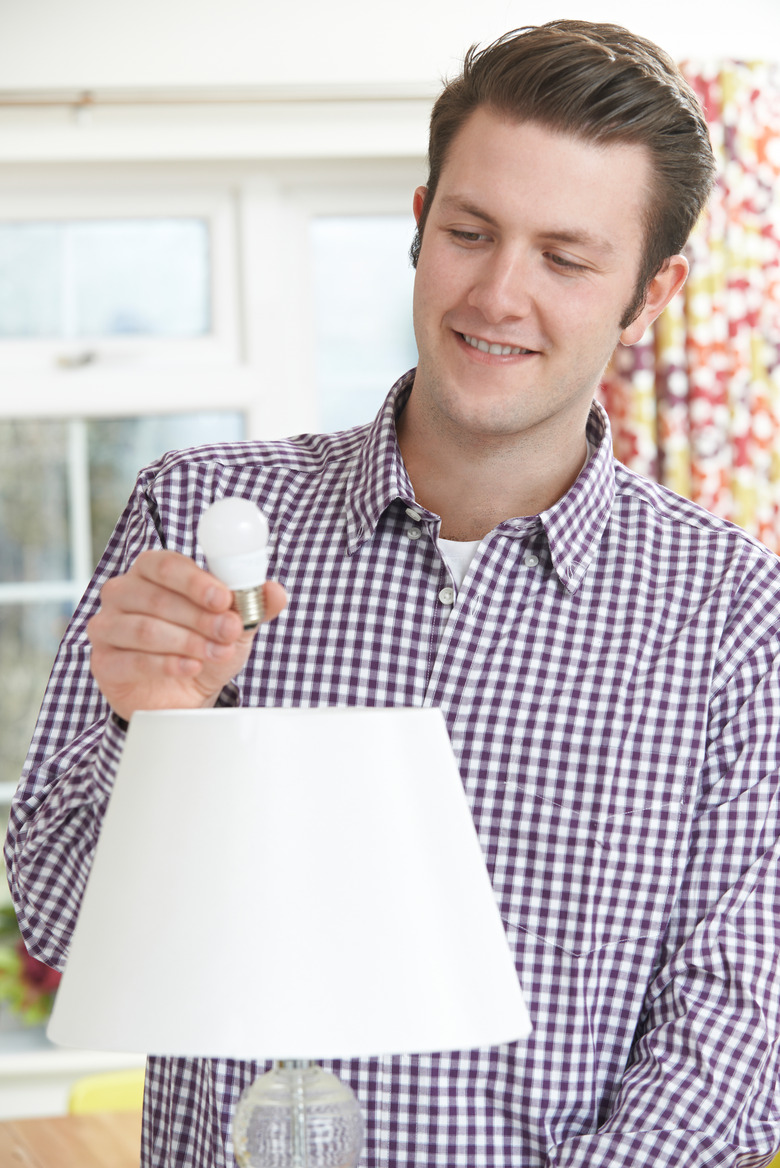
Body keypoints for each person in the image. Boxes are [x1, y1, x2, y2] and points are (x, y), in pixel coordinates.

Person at [6, 18, 780, 1168]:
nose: (499, 295)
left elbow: (731, 1047)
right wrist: (144, 729)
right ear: (419, 227)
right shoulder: (193, 516)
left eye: (566, 258)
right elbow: (62, 927)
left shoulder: (736, 617)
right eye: (471, 232)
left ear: (652, 293)